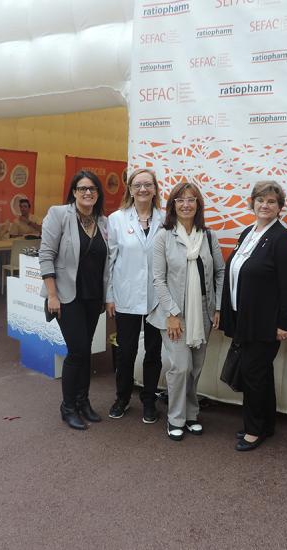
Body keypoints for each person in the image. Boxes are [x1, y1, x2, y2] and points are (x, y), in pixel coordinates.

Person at [219, 181, 287, 451]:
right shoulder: (248, 233)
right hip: (244, 317)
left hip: (266, 322)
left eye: (271, 201)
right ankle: (266, 424)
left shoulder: (282, 239)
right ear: (252, 202)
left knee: (253, 373)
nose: (265, 205)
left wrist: (283, 323)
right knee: (260, 373)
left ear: (279, 208)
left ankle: (254, 430)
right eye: (260, 200)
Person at [147, 182, 225, 441]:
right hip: (174, 315)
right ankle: (175, 418)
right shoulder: (163, 236)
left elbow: (219, 272)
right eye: (180, 200)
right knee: (180, 367)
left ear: (198, 205)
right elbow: (158, 278)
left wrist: (217, 307)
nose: (186, 204)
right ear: (172, 206)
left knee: (195, 367)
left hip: (202, 312)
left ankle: (191, 413)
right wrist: (171, 313)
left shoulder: (209, 236)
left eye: (191, 199)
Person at [40, 170, 110, 431]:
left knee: (86, 350)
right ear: (74, 192)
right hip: (66, 297)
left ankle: (83, 402)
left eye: (92, 188)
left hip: (92, 296)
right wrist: (52, 295)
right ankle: (68, 406)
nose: (88, 193)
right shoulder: (59, 215)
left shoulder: (103, 222)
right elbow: (46, 255)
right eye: (82, 188)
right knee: (77, 350)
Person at [105, 168, 164, 423]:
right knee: (126, 351)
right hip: (126, 295)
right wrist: (109, 296)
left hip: (156, 298)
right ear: (129, 189)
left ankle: (149, 400)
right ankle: (122, 397)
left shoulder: (165, 218)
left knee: (153, 352)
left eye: (148, 185)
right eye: (137, 185)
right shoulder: (116, 219)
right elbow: (109, 260)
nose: (143, 189)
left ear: (155, 190)